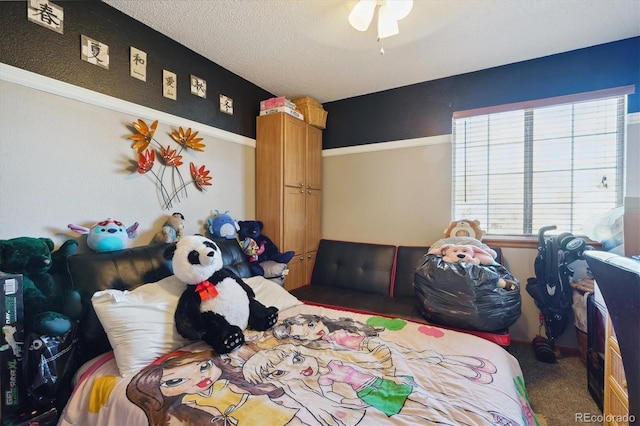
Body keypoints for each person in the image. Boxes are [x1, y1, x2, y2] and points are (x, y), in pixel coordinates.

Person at [243, 343, 515, 425]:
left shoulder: (330, 361)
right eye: (280, 373)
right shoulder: (314, 386)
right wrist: (348, 400)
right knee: (421, 412)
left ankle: (485, 416)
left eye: (298, 358)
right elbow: (333, 404)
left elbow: (362, 359)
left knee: (432, 402)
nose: (301, 367)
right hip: (372, 396)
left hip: (380, 383)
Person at [273, 314, 497, 384]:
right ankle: (457, 369)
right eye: (305, 334)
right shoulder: (324, 347)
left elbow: (359, 334)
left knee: (417, 355)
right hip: (371, 353)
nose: (315, 332)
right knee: (417, 357)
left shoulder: (339, 328)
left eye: (312, 325)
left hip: (374, 345)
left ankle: (454, 365)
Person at [126, 349, 304, 426]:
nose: (201, 378)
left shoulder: (226, 382)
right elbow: (204, 408)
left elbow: (245, 389)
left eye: (204, 367)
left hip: (268, 409)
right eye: (174, 382)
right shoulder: (187, 402)